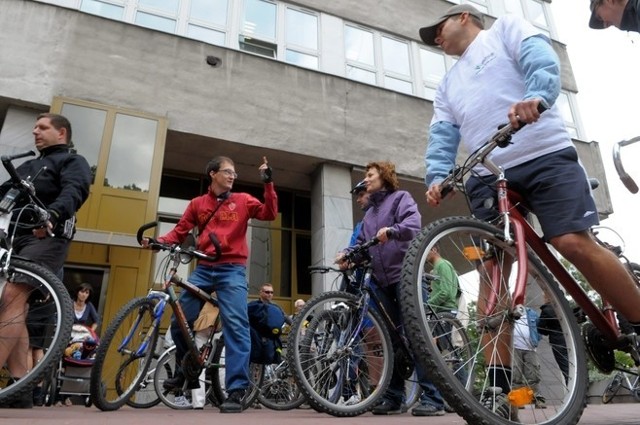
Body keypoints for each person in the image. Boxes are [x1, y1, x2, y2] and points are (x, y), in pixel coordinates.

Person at [419, 3, 640, 419]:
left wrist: (537, 95)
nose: (435, 36)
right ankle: (501, 392)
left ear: (465, 16)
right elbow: (442, 134)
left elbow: (540, 59)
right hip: (486, 171)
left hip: (543, 153)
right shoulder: (447, 86)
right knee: (492, 272)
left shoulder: (505, 31)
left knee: (571, 242)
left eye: (439, 27)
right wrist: (437, 174)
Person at [141, 155, 277, 414]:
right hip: (203, 269)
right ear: (213, 174)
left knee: (237, 326)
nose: (232, 176)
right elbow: (179, 232)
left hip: (232, 270)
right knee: (179, 324)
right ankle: (186, 371)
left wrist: (268, 183)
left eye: (234, 173)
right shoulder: (197, 204)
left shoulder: (243, 200)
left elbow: (269, 212)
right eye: (228, 172)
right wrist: (157, 241)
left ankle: (236, 390)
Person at [336, 161, 446, 417]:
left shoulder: (400, 198)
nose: (366, 179)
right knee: (390, 338)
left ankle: (434, 397)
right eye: (366, 175)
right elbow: (363, 245)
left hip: (405, 276)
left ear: (384, 177)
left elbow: (414, 224)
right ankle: (394, 397)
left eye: (370, 175)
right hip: (381, 281)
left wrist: (393, 231)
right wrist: (348, 255)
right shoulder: (369, 214)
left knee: (416, 333)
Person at [0, 113, 91, 409]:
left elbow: (75, 190)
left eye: (42, 127)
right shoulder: (27, 165)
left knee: (11, 297)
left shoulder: (71, 162)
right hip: (15, 239)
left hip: (47, 238)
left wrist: (52, 214)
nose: (35, 131)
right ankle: (19, 386)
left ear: (61, 133)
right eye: (35, 127)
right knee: (16, 309)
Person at [512, 307, 545, 409]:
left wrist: (535, 340)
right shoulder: (511, 312)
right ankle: (519, 401)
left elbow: (539, 329)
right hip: (515, 347)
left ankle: (538, 399)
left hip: (530, 347)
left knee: (533, 375)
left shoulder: (532, 313)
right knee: (516, 375)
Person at [537, 296, 569, 385]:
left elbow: (540, 328)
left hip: (557, 341)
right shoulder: (565, 308)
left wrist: (548, 332)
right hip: (569, 341)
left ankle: (572, 389)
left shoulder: (546, 310)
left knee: (566, 369)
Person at [425, 244, 459, 314]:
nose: (424, 255)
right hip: (440, 310)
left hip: (447, 309)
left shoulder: (442, 264)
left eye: (426, 251)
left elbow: (445, 291)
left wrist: (428, 304)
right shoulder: (436, 268)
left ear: (434, 250)